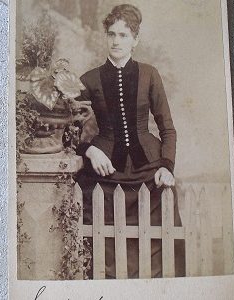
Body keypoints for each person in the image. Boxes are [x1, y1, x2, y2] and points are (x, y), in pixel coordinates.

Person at [75, 4, 185, 279]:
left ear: (135, 39)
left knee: (164, 221)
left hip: (149, 171)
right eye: (112, 34)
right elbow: (67, 132)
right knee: (94, 221)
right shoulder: (88, 79)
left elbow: (167, 128)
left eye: (124, 35)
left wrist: (167, 166)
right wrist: (89, 151)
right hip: (106, 173)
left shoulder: (149, 74)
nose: (116, 41)